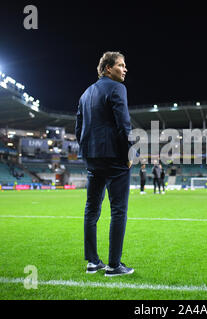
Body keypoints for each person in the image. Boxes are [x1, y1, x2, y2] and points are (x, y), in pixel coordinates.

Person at [75, 51, 134, 277]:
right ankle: (114, 266)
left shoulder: (85, 93)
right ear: (108, 68)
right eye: (121, 65)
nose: (125, 69)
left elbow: (78, 128)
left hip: (92, 158)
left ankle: (92, 262)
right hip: (114, 157)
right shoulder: (117, 88)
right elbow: (123, 123)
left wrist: (87, 151)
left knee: (91, 210)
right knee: (118, 210)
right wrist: (129, 152)